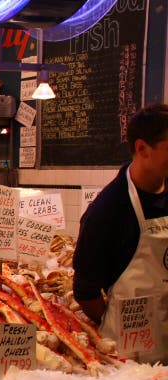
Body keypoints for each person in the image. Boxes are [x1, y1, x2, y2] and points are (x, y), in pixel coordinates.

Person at [73, 103, 168, 363]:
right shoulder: (106, 211)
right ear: (142, 149)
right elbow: (85, 291)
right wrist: (116, 320)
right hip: (133, 359)